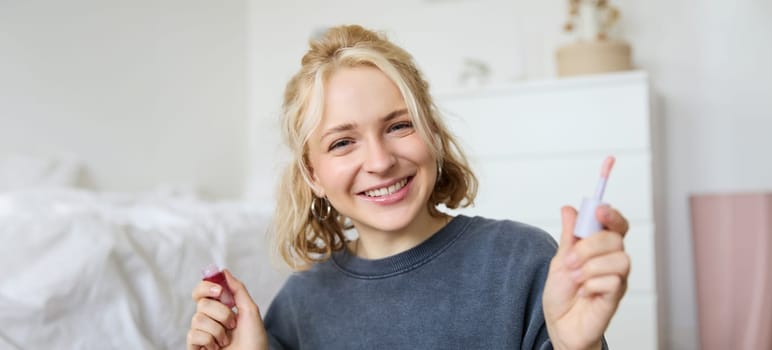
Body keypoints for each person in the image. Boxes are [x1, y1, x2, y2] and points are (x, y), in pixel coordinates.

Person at [186, 24, 630, 350]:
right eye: (342, 142)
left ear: (432, 134)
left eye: (399, 126)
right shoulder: (300, 305)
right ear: (312, 176)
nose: (380, 161)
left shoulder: (522, 260)